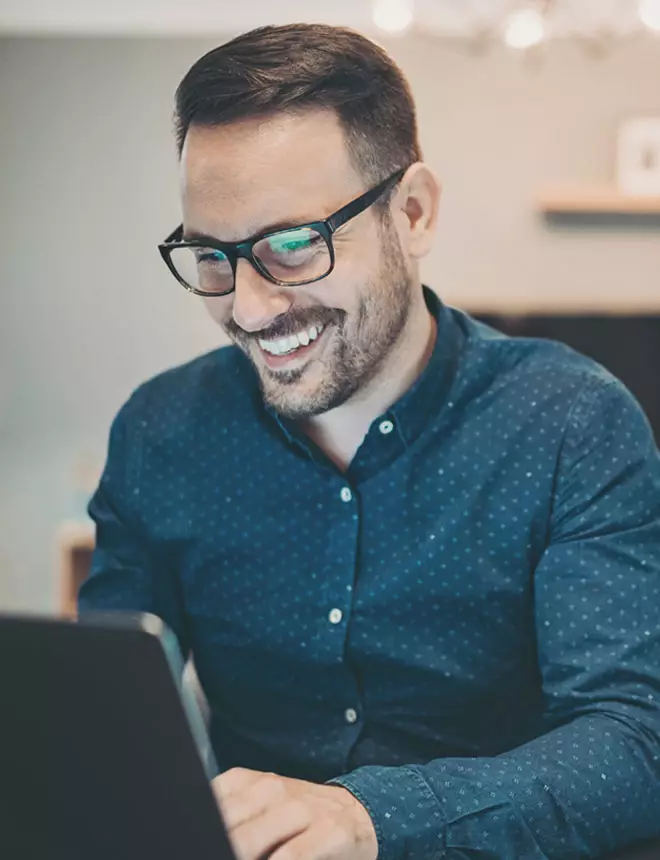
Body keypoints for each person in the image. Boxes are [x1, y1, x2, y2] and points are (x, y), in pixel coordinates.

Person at [78, 23, 660, 860]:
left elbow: (633, 743)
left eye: (290, 246)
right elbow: (112, 721)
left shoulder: (572, 422)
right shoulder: (158, 432)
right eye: (212, 256)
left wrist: (372, 818)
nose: (247, 308)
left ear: (413, 211)